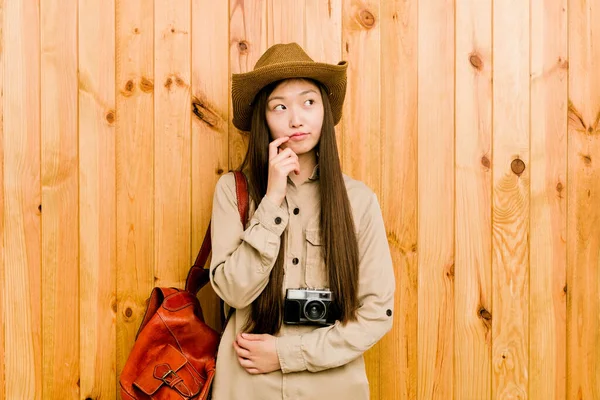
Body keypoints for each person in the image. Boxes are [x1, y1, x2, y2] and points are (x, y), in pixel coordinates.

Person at [209, 42, 395, 400]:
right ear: (263, 118)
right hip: (248, 387)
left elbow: (376, 313)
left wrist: (287, 355)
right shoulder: (234, 193)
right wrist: (273, 200)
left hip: (332, 387)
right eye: (279, 106)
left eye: (308, 102)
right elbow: (233, 291)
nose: (296, 119)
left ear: (324, 109)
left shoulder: (358, 201)